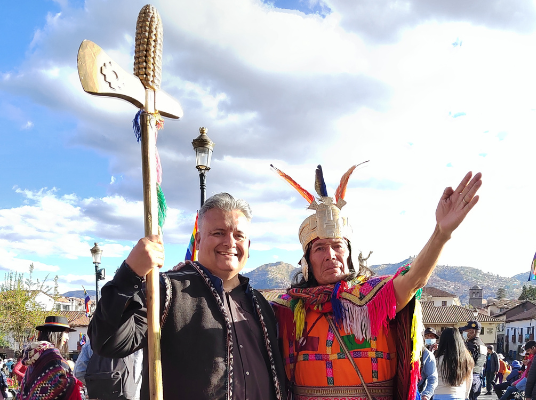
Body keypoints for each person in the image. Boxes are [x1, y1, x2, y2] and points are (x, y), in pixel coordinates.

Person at [269, 165, 482, 400]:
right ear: (307, 260)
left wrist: (441, 233)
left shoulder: (374, 296)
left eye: (337, 245)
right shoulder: (286, 310)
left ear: (350, 254)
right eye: (319, 248)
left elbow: (413, 280)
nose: (330, 255)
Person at [89, 193, 287, 400]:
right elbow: (109, 342)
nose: (230, 242)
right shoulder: (165, 290)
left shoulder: (261, 304)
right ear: (199, 240)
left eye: (239, 236)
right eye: (219, 233)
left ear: (248, 246)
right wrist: (130, 274)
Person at [18, 315, 81, 400]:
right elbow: (60, 384)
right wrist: (73, 381)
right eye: (66, 332)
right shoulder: (52, 355)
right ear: (57, 333)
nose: (68, 337)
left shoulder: (38, 353)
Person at [432, 328, 474, 400]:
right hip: (459, 395)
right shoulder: (467, 359)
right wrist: (466, 395)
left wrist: (431, 352)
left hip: (440, 394)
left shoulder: (437, 359)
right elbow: (469, 379)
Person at [458, 320, 486, 400]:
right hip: (477, 377)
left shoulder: (470, 346)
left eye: (465, 331)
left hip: (469, 378)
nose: (463, 332)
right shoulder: (482, 344)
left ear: (471, 331)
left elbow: (465, 362)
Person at [419, 328, 439, 400]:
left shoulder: (428, 353)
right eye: (427, 336)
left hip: (426, 390)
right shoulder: (423, 350)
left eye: (432, 336)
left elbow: (433, 378)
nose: (429, 338)